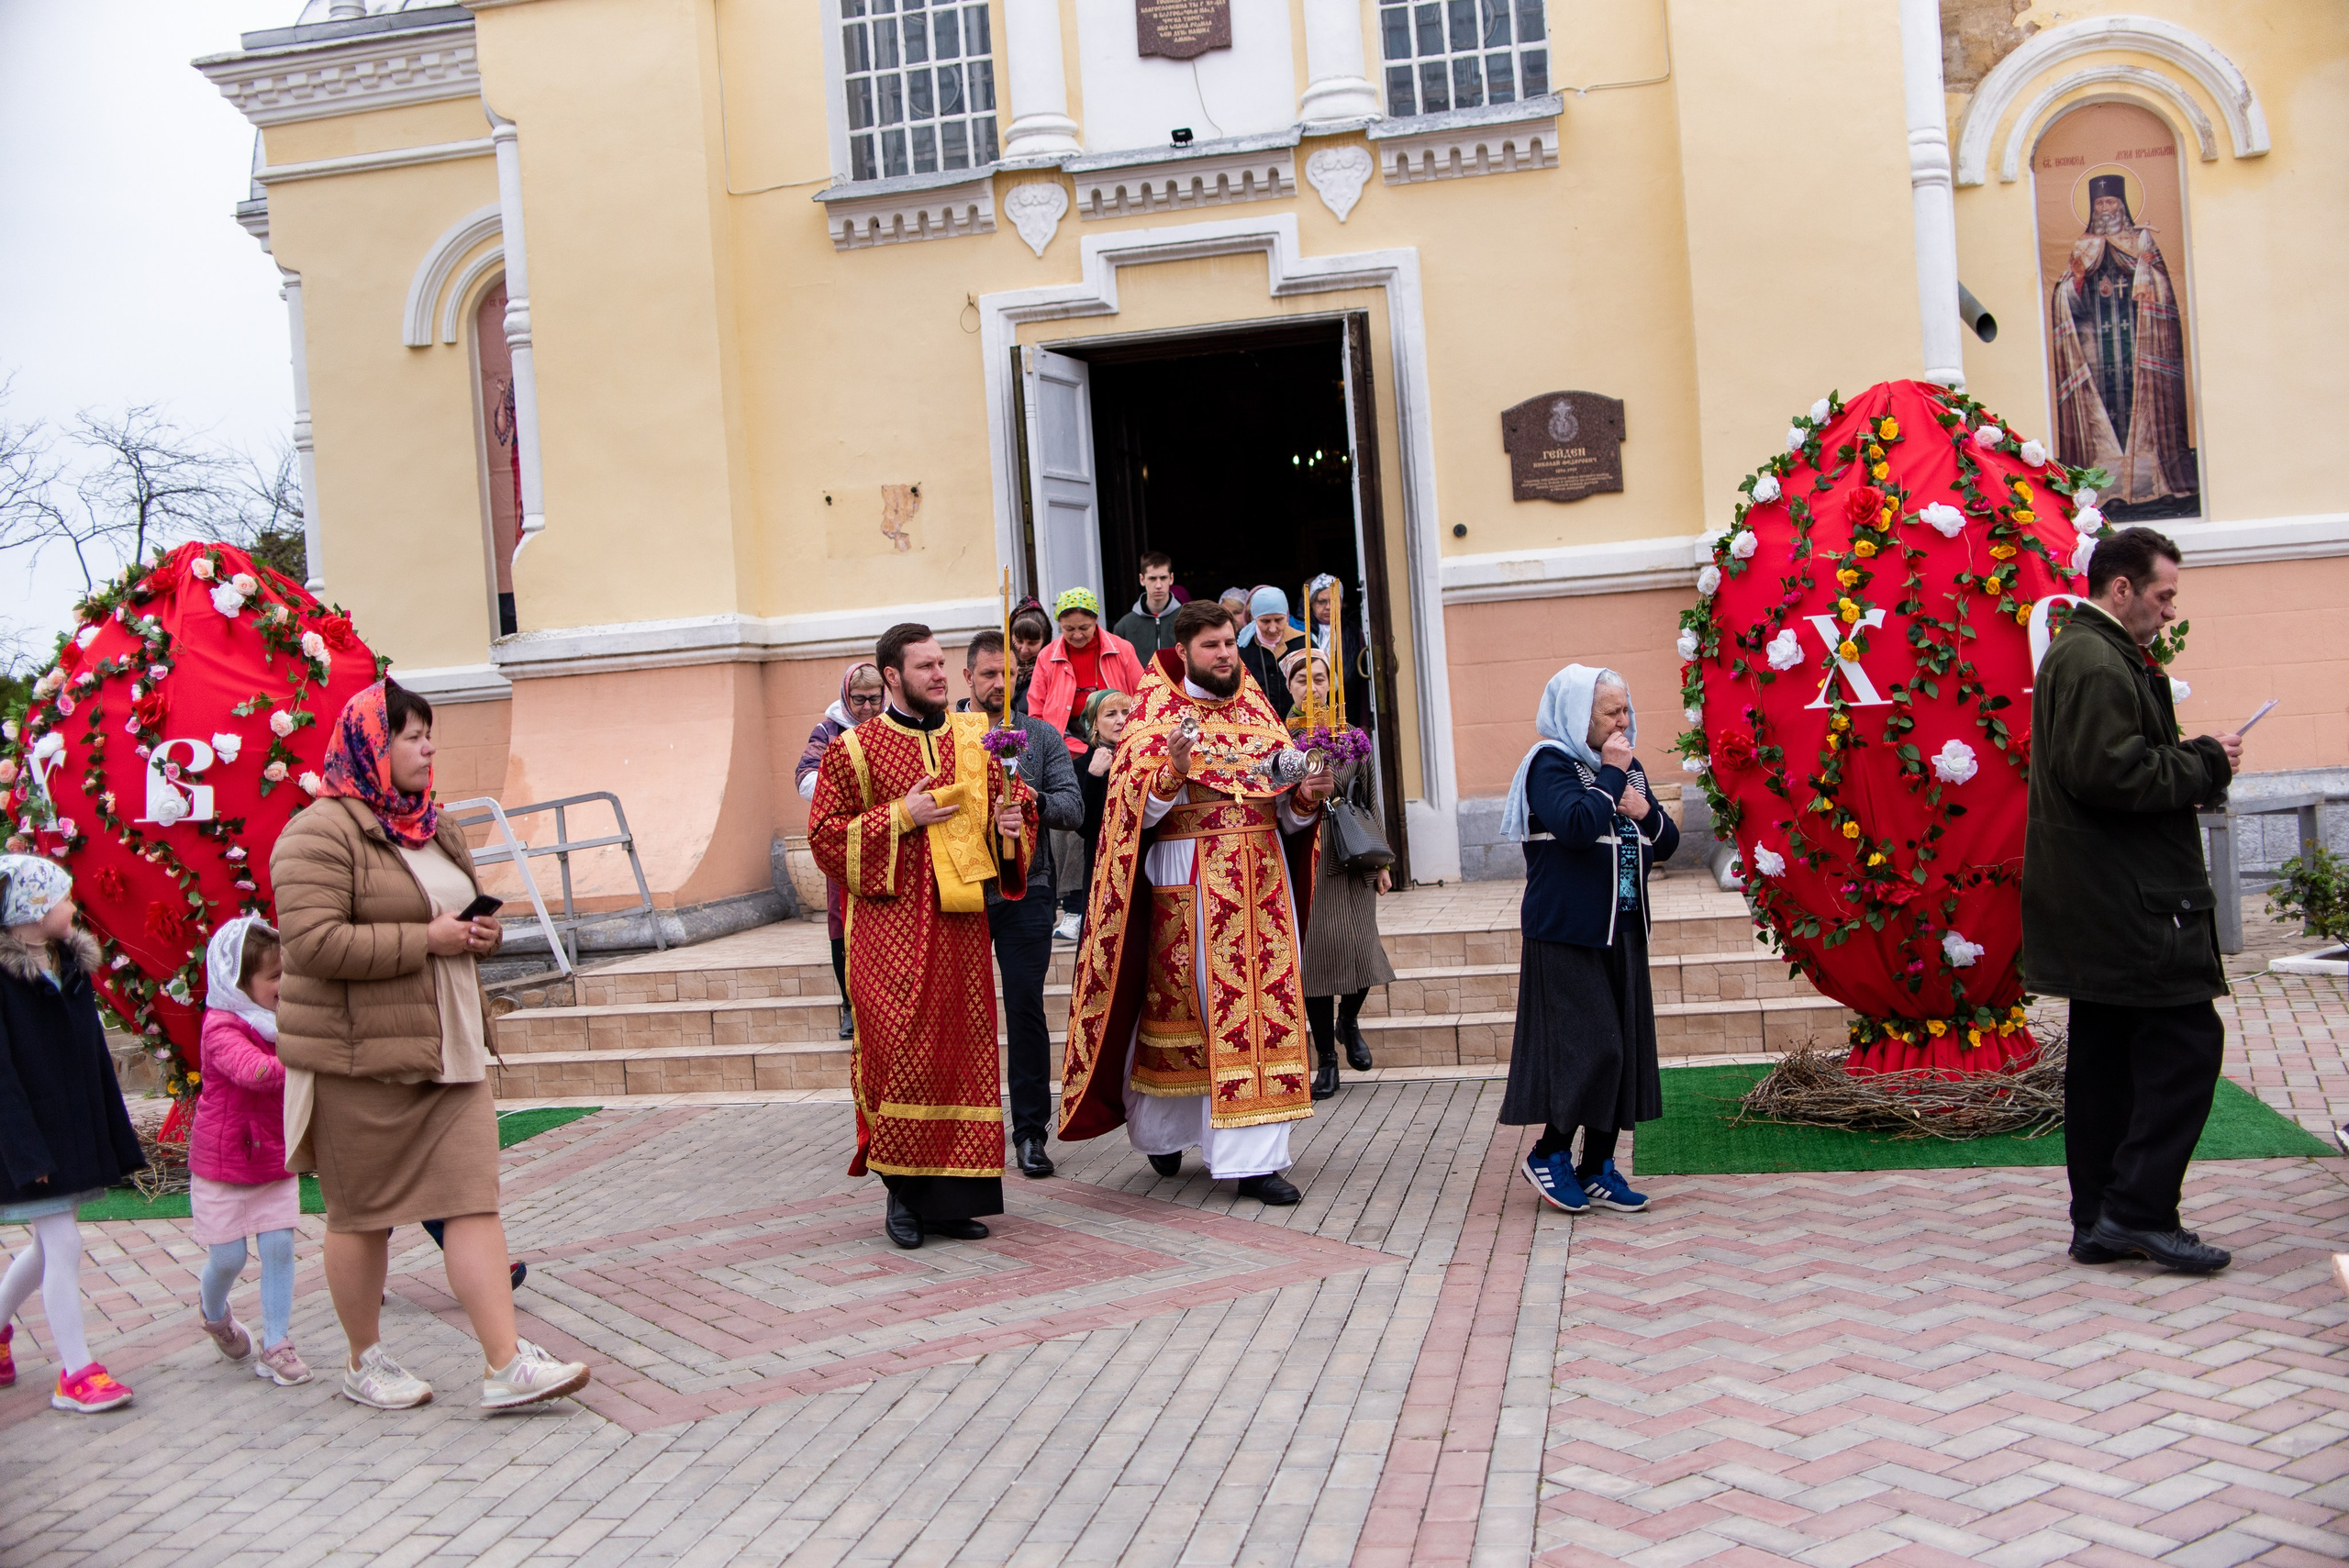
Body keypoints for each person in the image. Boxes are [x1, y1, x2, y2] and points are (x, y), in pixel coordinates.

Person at [273, 679, 591, 1411]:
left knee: (472, 1200)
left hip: (451, 1050)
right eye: (411, 736)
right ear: (369, 745)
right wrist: (427, 938)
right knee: (363, 1215)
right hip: (361, 1061)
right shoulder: (317, 833)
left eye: (429, 734)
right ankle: (364, 1360)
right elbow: (313, 943)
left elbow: (454, 923)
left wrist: (480, 935)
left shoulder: (435, 826)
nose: (428, 748)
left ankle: (506, 1363)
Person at [1056, 601, 1334, 1205]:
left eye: (1230, 643)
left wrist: (1308, 796)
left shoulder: (1259, 710)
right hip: (1187, 879)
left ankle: (1254, 1161)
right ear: (1183, 651)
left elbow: (1287, 814)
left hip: (1262, 882)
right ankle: (1165, 1131)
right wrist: (1172, 771)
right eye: (1212, 646)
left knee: (1261, 1013)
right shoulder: (1154, 714)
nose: (1226, 654)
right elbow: (1131, 816)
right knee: (1187, 1012)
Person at [2022, 527, 2243, 1274]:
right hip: (2130, 901)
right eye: (2162, 594)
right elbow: (2110, 774)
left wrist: (2191, 761)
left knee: (2107, 1063)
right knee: (2188, 1045)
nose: (2169, 611)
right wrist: (2205, 762)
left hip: (2106, 897)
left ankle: (2100, 1220)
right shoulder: (2095, 658)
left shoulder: (2089, 651)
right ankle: (2138, 1210)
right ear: (2122, 589)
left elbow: (2108, 767)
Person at [809, 624, 1037, 1248]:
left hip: (960, 931)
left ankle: (951, 1201)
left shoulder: (975, 740)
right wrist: (902, 815)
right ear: (892, 676)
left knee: (959, 1060)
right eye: (925, 666)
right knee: (900, 1059)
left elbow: (1012, 813)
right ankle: (904, 1198)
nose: (939, 675)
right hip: (887, 936)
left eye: (941, 664)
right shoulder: (853, 750)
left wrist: (1012, 824)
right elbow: (825, 838)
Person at [1496, 666, 1677, 1217]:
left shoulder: (1625, 767)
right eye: (1610, 712)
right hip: (1568, 930)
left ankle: (1597, 1166)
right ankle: (1549, 1153)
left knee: (1624, 1050)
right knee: (1596, 1047)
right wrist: (1614, 777)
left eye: (1625, 709)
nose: (1623, 721)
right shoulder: (1550, 763)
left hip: (1623, 926)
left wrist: (1646, 810)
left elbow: (1667, 841)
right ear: (1579, 715)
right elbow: (1576, 827)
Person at [0, 856, 145, 1414]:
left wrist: (109, 1128)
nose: (73, 906)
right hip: (31, 1139)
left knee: (47, 1245)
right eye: (62, 897)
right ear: (32, 911)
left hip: (72, 1130)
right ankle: (76, 1371)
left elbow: (92, 1058)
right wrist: (25, 1151)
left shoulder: (69, 967)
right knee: (63, 1243)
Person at [956, 630, 1083, 1180]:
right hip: (962, 890)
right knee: (962, 1011)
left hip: (1028, 889)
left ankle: (1031, 1133)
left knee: (1026, 1006)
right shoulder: (946, 733)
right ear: (968, 677)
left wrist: (1032, 799)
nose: (998, 684)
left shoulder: (1041, 735)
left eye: (1007, 674)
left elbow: (1072, 809)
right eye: (988, 674)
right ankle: (965, 1131)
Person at [188, 916, 311, 1386]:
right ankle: (214, 1313)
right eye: (275, 976)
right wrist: (308, 1054)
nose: (285, 984)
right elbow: (254, 1072)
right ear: (240, 984)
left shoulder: (286, 1023)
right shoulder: (220, 1026)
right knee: (228, 1259)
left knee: (279, 1248)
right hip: (222, 1167)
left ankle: (276, 1343)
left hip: (273, 1158)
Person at [1284, 650, 1394, 1099]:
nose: (1311, 688)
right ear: (1289, 687)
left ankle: (1348, 1020)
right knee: (1314, 958)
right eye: (1302, 680)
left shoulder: (1351, 736)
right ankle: (1327, 1059)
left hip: (1354, 849)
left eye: (1319, 678)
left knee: (1362, 946)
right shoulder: (1279, 737)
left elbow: (1371, 798)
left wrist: (1382, 862)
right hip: (1307, 852)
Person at [2050, 176, 2197, 510]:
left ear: (2123, 205)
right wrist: (2075, 280)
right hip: (2098, 353)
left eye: (2111, 202)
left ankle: (2155, 484)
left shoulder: (2141, 241)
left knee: (2147, 410)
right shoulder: (2083, 246)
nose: (2105, 209)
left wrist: (2147, 274)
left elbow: (2162, 286)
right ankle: (2104, 490)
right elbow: (2063, 296)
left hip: (2139, 343)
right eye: (2100, 203)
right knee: (2102, 413)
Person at [797, 662, 886, 1040]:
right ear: (846, 697)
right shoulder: (829, 730)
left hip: (889, 836)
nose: (867, 708)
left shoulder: (892, 726)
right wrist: (850, 789)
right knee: (842, 923)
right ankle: (849, 1005)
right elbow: (805, 777)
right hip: (847, 839)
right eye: (859, 699)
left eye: (874, 699)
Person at [1072, 689, 1136, 902]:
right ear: (1095, 724)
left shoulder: (1144, 759)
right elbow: (1085, 828)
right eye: (1111, 714)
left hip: (1143, 864)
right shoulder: (1082, 766)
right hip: (1102, 869)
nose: (1121, 720)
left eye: (1126, 712)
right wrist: (1094, 776)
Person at [1237, 586, 1306, 719]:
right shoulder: (1240, 646)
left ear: (1287, 615)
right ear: (1253, 618)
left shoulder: (1304, 644)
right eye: (1265, 621)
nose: (1273, 628)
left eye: (1279, 620)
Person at [1113, 551, 1183, 655]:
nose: (1158, 585)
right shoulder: (1124, 627)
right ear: (1142, 579)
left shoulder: (1187, 620)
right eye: (1152, 578)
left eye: (1163, 578)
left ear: (1171, 578)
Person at [1008, 597, 1052, 717]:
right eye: (1019, 641)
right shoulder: (999, 667)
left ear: (1045, 641)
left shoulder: (1050, 673)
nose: (1024, 649)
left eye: (1032, 643)